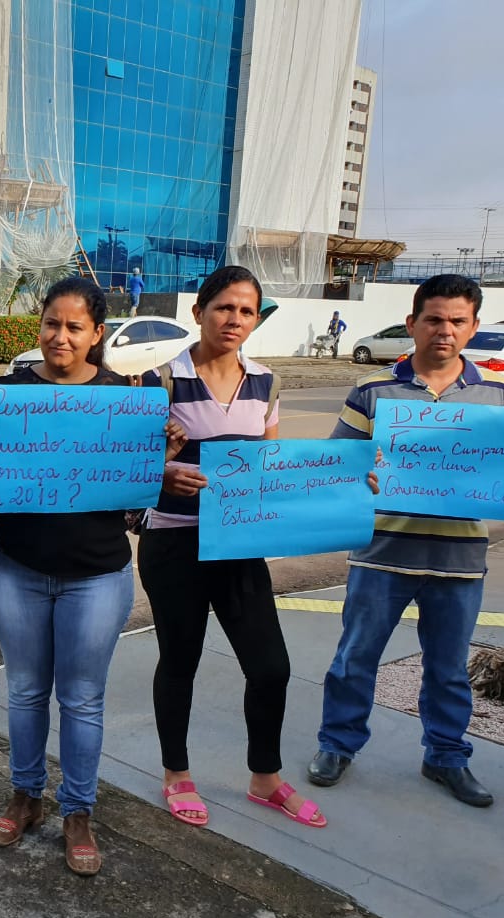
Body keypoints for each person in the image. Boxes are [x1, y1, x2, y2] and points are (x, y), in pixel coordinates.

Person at [0, 276, 184, 876]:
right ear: (41, 327)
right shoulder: (6, 396)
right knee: (26, 691)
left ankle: (77, 811)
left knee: (82, 699)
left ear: (96, 334)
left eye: (75, 326)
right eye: (52, 323)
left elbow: (140, 496)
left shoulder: (127, 401)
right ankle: (25, 796)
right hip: (17, 570)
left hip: (97, 577)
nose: (61, 335)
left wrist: (157, 453)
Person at [308, 274, 504, 807]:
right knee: (355, 658)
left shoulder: (498, 395)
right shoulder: (373, 390)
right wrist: (363, 474)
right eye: (433, 319)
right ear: (412, 324)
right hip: (382, 553)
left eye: (457, 321)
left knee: (448, 669)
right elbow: (338, 464)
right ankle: (337, 744)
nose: (444, 331)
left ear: (472, 328)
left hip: (460, 557)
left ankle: (445, 755)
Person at [138, 265, 327, 831]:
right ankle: (177, 774)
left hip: (239, 546)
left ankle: (264, 777)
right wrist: (163, 470)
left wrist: (346, 485)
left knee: (271, 667)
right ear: (199, 313)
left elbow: (269, 466)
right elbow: (126, 471)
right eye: (224, 307)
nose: (235, 320)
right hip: (173, 542)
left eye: (247, 311)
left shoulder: (265, 382)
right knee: (180, 661)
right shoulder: (159, 380)